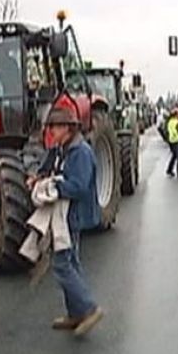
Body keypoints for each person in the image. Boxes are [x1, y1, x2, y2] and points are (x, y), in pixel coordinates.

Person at [30, 105, 104, 336]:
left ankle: (89, 309)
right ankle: (76, 313)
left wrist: (53, 186)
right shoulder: (63, 149)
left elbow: (79, 187)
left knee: (62, 265)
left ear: (68, 128)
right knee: (71, 262)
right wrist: (38, 176)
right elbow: (49, 163)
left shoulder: (80, 152)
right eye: (50, 126)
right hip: (67, 216)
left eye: (55, 127)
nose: (51, 131)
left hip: (73, 216)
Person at [166, 108, 178, 178]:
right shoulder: (177, 122)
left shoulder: (169, 122)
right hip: (177, 141)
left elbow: (167, 132)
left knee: (174, 156)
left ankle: (169, 169)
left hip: (171, 141)